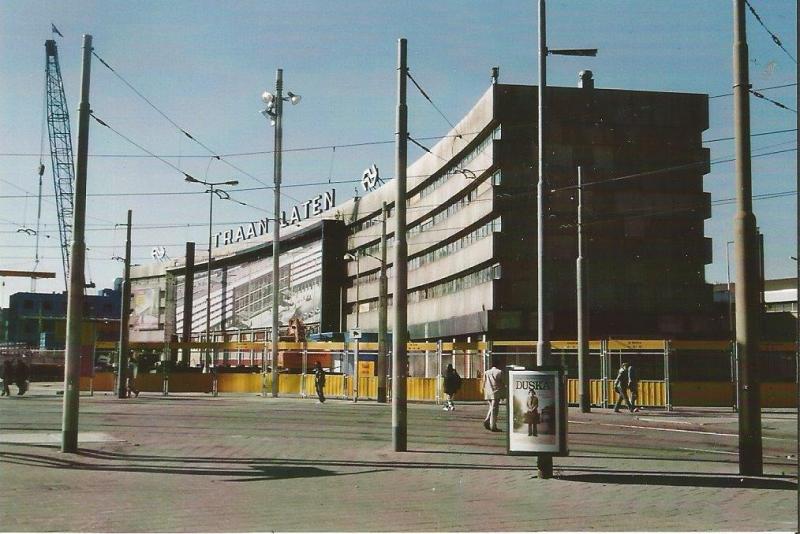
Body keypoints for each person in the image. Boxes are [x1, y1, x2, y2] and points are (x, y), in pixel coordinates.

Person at [482, 359, 504, 431]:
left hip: (488, 392)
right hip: (495, 392)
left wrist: (483, 389)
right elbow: (502, 382)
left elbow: (483, 382)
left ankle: (487, 420)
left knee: (491, 407)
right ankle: (493, 426)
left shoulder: (486, 372)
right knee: (495, 410)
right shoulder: (499, 372)